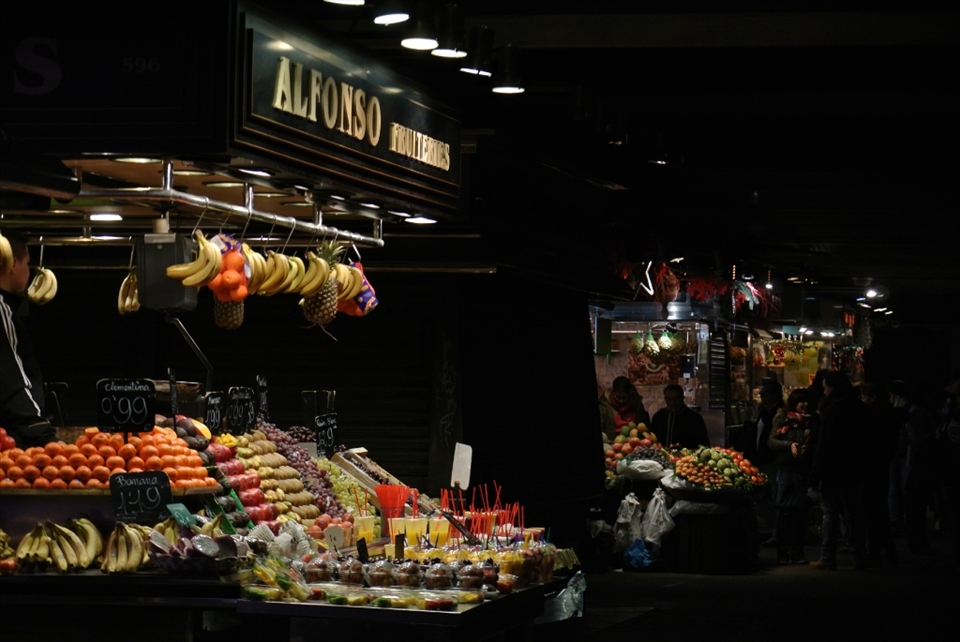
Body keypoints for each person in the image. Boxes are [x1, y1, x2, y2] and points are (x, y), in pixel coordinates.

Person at [0, 230, 56, 448]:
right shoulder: (1, 309)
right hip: (12, 441)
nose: (28, 271)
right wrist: (41, 434)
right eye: (27, 263)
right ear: (13, 265)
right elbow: (11, 379)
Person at [808, 371, 868, 570]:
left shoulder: (832, 410)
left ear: (832, 387)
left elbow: (824, 445)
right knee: (854, 513)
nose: (824, 391)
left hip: (833, 469)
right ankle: (859, 555)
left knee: (830, 512)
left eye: (825, 386)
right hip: (855, 467)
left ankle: (828, 556)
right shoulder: (860, 408)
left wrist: (815, 474)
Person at [768, 388, 815, 564]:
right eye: (802, 401)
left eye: (807, 401)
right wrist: (789, 445)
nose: (805, 405)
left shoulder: (812, 420)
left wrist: (807, 449)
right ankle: (782, 553)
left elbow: (818, 443)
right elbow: (771, 441)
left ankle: (798, 553)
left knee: (801, 515)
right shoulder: (782, 418)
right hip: (786, 471)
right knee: (785, 513)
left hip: (803, 472)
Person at [859, 381, 900, 567]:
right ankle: (887, 551)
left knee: (871, 511)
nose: (862, 400)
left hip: (870, 466)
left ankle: (875, 552)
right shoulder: (890, 413)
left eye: (864, 397)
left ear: (872, 397)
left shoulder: (870, 414)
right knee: (879, 510)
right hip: (882, 464)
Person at [650, 383, 709, 449]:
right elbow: (652, 441)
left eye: (676, 399)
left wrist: (684, 448)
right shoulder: (658, 417)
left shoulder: (695, 419)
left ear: (682, 398)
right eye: (670, 399)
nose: (673, 403)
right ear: (665, 399)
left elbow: (704, 445)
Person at [599, 376, 651, 442]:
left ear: (629, 393)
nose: (621, 401)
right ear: (613, 392)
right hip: (612, 443)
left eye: (624, 397)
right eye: (618, 397)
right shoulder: (604, 406)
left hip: (634, 443)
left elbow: (644, 427)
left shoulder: (637, 404)